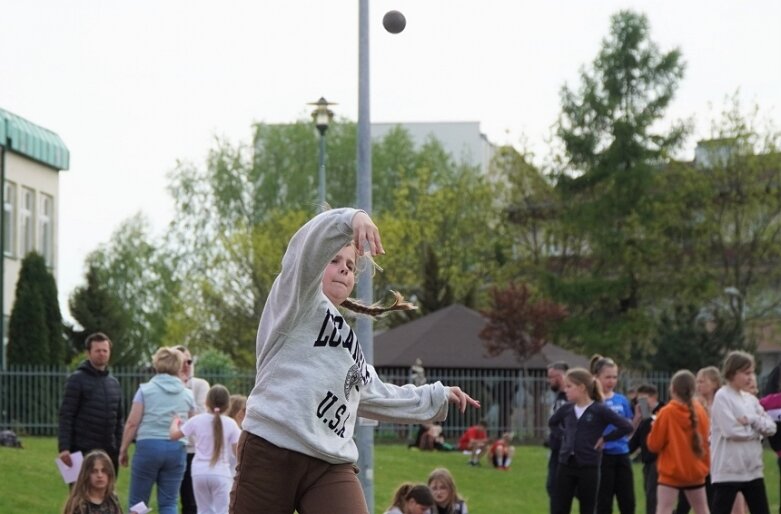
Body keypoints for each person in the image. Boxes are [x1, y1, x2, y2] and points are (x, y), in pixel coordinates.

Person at [229, 208, 480, 514]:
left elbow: (373, 393)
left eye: (349, 264)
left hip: (330, 462)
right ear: (316, 265)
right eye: (334, 261)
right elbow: (305, 248)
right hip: (272, 448)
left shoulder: (349, 344)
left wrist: (435, 395)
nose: (344, 269)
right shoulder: (292, 302)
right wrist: (352, 219)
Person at [120, 347, 196, 514]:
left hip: (148, 446)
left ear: (156, 364)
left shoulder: (145, 390)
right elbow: (191, 425)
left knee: (138, 502)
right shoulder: (188, 395)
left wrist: (123, 449)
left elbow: (132, 423)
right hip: (177, 449)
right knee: (169, 503)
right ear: (179, 366)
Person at [549, 367, 633, 514]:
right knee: (559, 507)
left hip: (589, 465)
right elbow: (552, 423)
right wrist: (564, 436)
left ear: (581, 387)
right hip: (566, 464)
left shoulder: (599, 410)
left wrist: (605, 438)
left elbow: (626, 426)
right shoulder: (567, 409)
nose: (565, 390)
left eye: (569, 386)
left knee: (588, 507)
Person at [710, 351, 776, 514]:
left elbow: (771, 427)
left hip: (752, 470)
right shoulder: (722, 396)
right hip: (729, 471)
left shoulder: (750, 399)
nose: (750, 377)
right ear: (733, 372)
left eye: (752, 372)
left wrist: (752, 420)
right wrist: (757, 434)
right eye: (746, 373)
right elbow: (731, 431)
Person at [58, 332, 124, 475]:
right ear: (88, 353)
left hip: (108, 452)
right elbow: (66, 415)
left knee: (107, 495)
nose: (102, 354)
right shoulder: (76, 380)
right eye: (98, 350)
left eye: (105, 350)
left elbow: (119, 419)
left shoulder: (114, 383)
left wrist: (119, 447)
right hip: (80, 451)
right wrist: (64, 448)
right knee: (78, 495)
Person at [170, 384, 241, 514]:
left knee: (203, 510)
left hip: (199, 472)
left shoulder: (196, 420)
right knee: (222, 511)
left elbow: (174, 435)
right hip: (221, 473)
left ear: (206, 402)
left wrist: (175, 422)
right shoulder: (231, 424)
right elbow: (238, 452)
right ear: (228, 404)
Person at [647, 370, 710, 514]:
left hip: (671, 471)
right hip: (695, 470)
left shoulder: (667, 412)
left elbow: (654, 445)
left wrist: (654, 429)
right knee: (701, 509)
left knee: (664, 509)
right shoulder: (700, 411)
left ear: (672, 389)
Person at [591, 355, 635, 514]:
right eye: (607, 377)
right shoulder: (593, 401)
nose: (611, 381)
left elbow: (628, 425)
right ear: (597, 377)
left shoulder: (621, 400)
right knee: (604, 501)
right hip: (603, 455)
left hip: (622, 454)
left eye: (614, 377)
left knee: (627, 500)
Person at [174, 345, 210, 514]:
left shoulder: (200, 385)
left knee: (191, 502)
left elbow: (200, 419)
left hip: (192, 450)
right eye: (181, 361)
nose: (186, 365)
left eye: (189, 361)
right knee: (170, 499)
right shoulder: (165, 387)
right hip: (172, 448)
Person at [628, 384, 664, 514]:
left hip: (659, 460)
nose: (641, 403)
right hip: (648, 462)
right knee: (650, 495)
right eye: (639, 400)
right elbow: (636, 441)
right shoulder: (644, 418)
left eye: (644, 399)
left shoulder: (664, 411)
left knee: (654, 497)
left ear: (654, 397)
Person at [62, 450, 123, 514]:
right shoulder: (80, 505)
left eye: (104, 471)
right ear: (86, 474)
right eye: (94, 471)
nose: (100, 475)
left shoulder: (112, 500)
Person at [546, 361, 570, 503]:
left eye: (551, 377)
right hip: (556, 448)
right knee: (553, 488)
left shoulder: (568, 397)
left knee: (556, 488)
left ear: (561, 377)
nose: (549, 381)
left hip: (566, 449)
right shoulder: (558, 397)